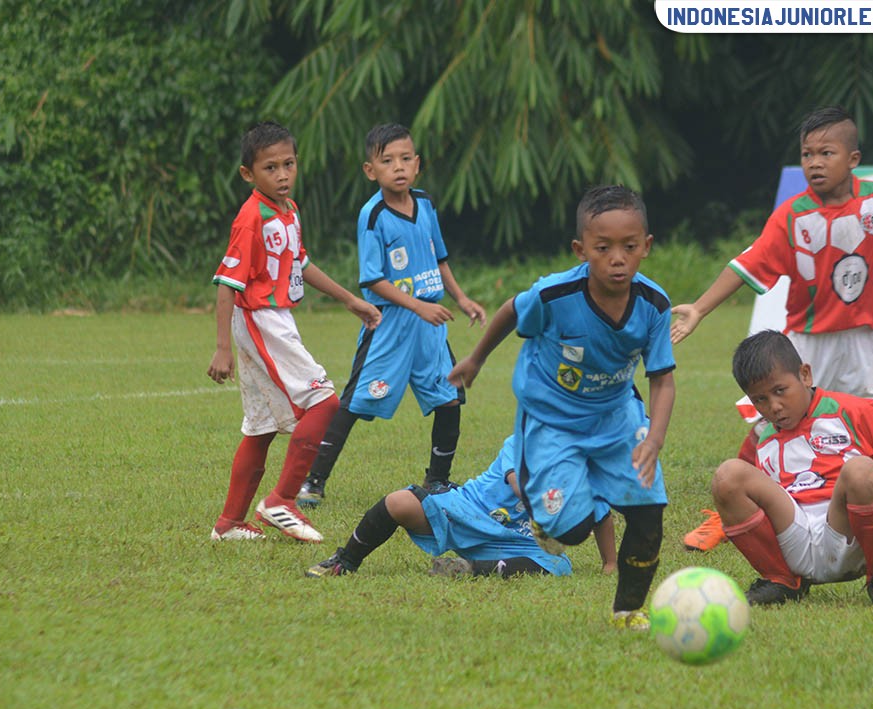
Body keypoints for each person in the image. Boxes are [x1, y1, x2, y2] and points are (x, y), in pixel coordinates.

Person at [673, 106, 873, 553]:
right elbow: (747, 265)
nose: (814, 163)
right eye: (806, 154)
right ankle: (729, 514)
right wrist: (699, 308)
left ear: (853, 159)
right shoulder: (792, 216)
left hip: (866, 342)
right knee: (773, 425)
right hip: (806, 346)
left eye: (826, 153)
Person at [448, 185, 676, 630]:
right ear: (580, 249)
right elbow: (511, 310)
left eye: (629, 247)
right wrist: (475, 358)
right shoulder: (554, 294)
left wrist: (655, 436)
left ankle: (627, 611)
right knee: (570, 531)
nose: (617, 258)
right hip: (551, 420)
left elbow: (662, 378)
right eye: (603, 247)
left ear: (645, 247)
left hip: (616, 417)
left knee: (649, 515)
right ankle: (547, 508)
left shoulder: (654, 305)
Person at [207, 121, 381, 542]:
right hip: (261, 319)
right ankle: (281, 501)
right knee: (324, 400)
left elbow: (300, 263)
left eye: (289, 164)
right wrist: (221, 349)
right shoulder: (251, 219)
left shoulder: (288, 210)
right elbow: (227, 284)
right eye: (271, 168)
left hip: (275, 317)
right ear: (249, 174)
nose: (283, 175)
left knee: (261, 426)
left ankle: (229, 524)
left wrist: (349, 299)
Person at [296, 123, 486, 508]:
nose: (397, 167)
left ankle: (437, 481)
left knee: (448, 397)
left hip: (429, 326)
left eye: (404, 159)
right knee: (354, 402)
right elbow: (373, 280)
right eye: (387, 161)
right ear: (371, 171)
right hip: (390, 326)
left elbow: (440, 258)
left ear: (416, 164)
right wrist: (418, 306)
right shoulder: (373, 216)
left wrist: (462, 299)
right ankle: (313, 481)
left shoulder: (426, 203)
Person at [711, 330, 873, 606]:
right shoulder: (765, 438)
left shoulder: (857, 412)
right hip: (796, 543)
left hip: (850, 537)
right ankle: (781, 580)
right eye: (760, 400)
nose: (774, 406)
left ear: (805, 375)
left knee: (861, 470)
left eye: (780, 391)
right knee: (728, 475)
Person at [305, 435, 618, 578]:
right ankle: (345, 561)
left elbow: (602, 517)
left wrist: (610, 565)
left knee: (559, 566)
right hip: (467, 512)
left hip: (518, 543)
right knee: (399, 502)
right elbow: (517, 484)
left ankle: (468, 569)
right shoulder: (523, 441)